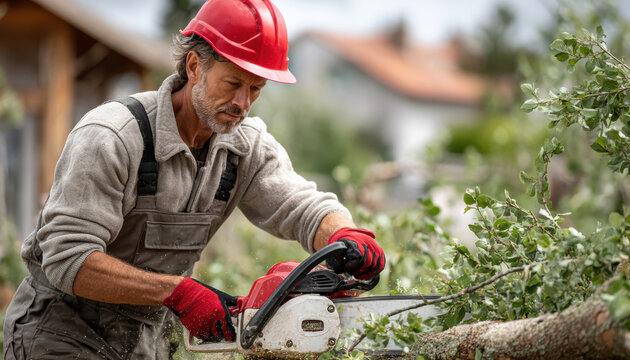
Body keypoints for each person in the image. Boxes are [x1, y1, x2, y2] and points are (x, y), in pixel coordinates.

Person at [3, 0, 385, 359]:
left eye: (255, 89)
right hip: (60, 332)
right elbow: (69, 258)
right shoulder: (113, 136)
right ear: (194, 67)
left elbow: (302, 207)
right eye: (233, 83)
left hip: (147, 341)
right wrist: (178, 292)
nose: (243, 102)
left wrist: (343, 235)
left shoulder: (245, 148)